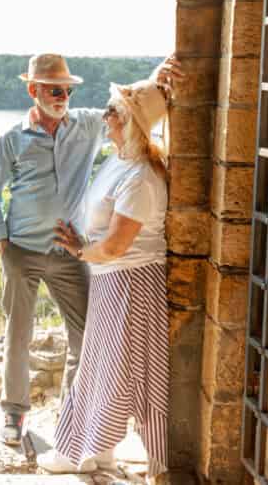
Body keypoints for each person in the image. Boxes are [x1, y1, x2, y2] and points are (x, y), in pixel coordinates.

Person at [0, 53, 180, 446]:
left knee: (86, 337)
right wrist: (0, 241)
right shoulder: (12, 139)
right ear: (33, 90)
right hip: (21, 250)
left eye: (67, 89)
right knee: (18, 335)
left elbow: (127, 108)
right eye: (54, 89)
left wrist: (159, 76)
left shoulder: (88, 124)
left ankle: (72, 420)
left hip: (69, 252)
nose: (62, 96)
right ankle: (14, 415)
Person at [36, 78, 170, 479]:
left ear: (130, 122)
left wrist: (80, 251)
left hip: (131, 285)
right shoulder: (121, 159)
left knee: (117, 372)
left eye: (114, 111)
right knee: (102, 368)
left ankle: (97, 455)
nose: (106, 116)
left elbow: (115, 246)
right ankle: (91, 452)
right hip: (113, 283)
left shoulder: (141, 177)